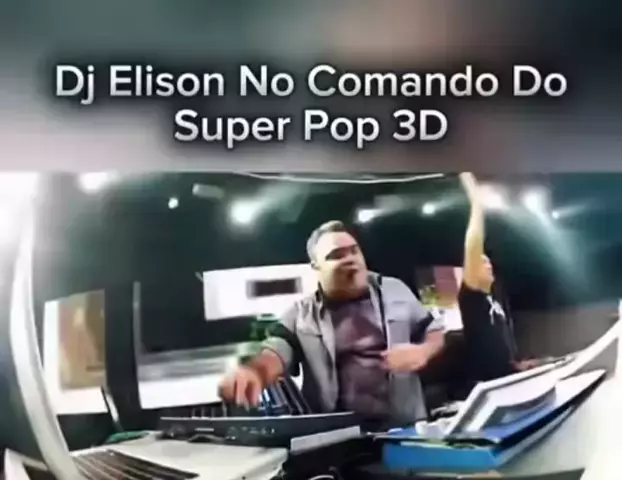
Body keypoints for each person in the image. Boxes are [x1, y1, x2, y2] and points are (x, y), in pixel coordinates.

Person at [219, 220, 446, 429]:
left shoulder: (395, 290)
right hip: (337, 437)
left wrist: (423, 352)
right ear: (316, 267)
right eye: (336, 255)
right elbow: (276, 352)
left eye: (354, 251)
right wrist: (254, 373)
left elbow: (434, 331)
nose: (350, 259)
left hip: (404, 428)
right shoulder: (301, 315)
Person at [457, 172, 540, 381]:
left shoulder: (493, 300)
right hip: (487, 386)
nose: (488, 265)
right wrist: (476, 201)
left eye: (488, 261)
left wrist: (516, 367)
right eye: (481, 261)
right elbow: (473, 244)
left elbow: (497, 354)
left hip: (506, 379)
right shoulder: (471, 298)